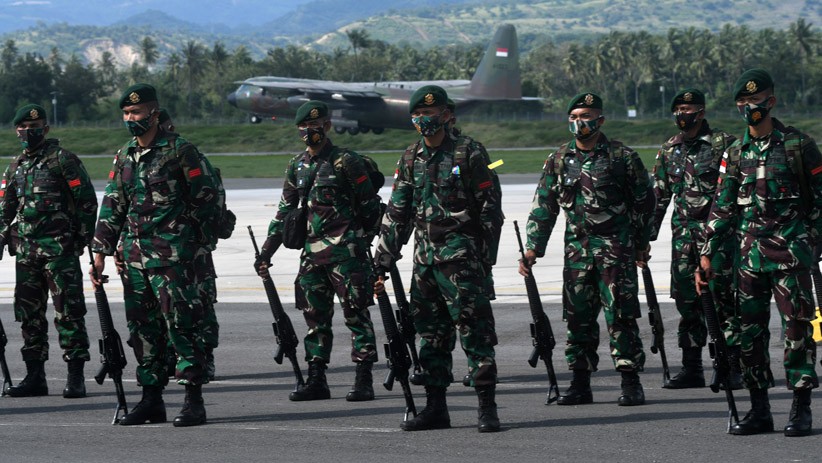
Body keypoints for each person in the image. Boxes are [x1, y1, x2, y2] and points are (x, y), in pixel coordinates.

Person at [90, 83, 223, 427]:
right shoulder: (124, 156)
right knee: (143, 330)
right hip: (135, 259)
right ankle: (151, 399)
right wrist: (101, 250)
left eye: (135, 112)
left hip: (174, 259)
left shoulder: (180, 152)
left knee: (182, 327)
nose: (130, 119)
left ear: (154, 113)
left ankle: (193, 400)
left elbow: (208, 197)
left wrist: (193, 243)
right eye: (126, 114)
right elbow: (114, 204)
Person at [696, 69, 820, 437]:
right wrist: (706, 254)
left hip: (790, 256)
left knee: (797, 329)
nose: (751, 107)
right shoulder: (735, 152)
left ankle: (801, 406)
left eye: (757, 100)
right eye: (744, 103)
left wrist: (811, 241)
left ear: (772, 102)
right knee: (749, 334)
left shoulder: (798, 145)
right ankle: (759, 408)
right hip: (748, 259)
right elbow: (722, 205)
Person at [374, 85, 504, 432]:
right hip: (425, 265)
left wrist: (484, 259)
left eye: (429, 114)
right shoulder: (410, 157)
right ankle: (436, 408)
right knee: (431, 336)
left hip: (462, 262)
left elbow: (491, 209)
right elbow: (397, 212)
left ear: (447, 115)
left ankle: (486, 407)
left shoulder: (469, 152)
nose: (423, 121)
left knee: (474, 333)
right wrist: (382, 261)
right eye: (417, 115)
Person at [518, 92, 653, 407]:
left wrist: (641, 242)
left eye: (587, 116)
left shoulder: (622, 157)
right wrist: (532, 249)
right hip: (577, 252)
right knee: (577, 317)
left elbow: (645, 202)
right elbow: (544, 206)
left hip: (615, 250)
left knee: (620, 316)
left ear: (601, 120)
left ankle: (630, 382)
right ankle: (580, 383)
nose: (580, 122)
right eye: (574, 117)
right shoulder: (559, 159)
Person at [256, 100, 382, 403]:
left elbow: (369, 205)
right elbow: (285, 212)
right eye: (304, 128)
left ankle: (363, 378)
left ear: (326, 126)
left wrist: (365, 242)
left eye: (316, 126)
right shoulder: (296, 166)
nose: (310, 132)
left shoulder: (346, 162)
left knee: (356, 315)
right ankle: (316, 378)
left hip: (346, 253)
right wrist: (266, 253)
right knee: (315, 319)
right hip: (312, 255)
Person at [0, 103, 97, 398]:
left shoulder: (63, 161)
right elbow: (6, 209)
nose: (30, 132)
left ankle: (75, 376)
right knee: (29, 316)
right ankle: (35, 377)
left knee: (68, 313)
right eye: (25, 128)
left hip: (60, 252)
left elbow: (87, 202)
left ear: (46, 128)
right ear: (17, 130)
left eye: (36, 126)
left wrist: (80, 240)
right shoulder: (16, 167)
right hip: (27, 253)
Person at [650, 88, 742, 390]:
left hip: (719, 243)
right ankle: (692, 368)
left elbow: (734, 193)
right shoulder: (669, 150)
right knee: (687, 304)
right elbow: (659, 197)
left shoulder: (724, 145)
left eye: (687, 108)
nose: (681, 114)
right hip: (683, 243)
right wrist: (644, 239)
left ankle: (731, 366)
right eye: (677, 109)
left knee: (724, 304)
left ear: (700, 112)